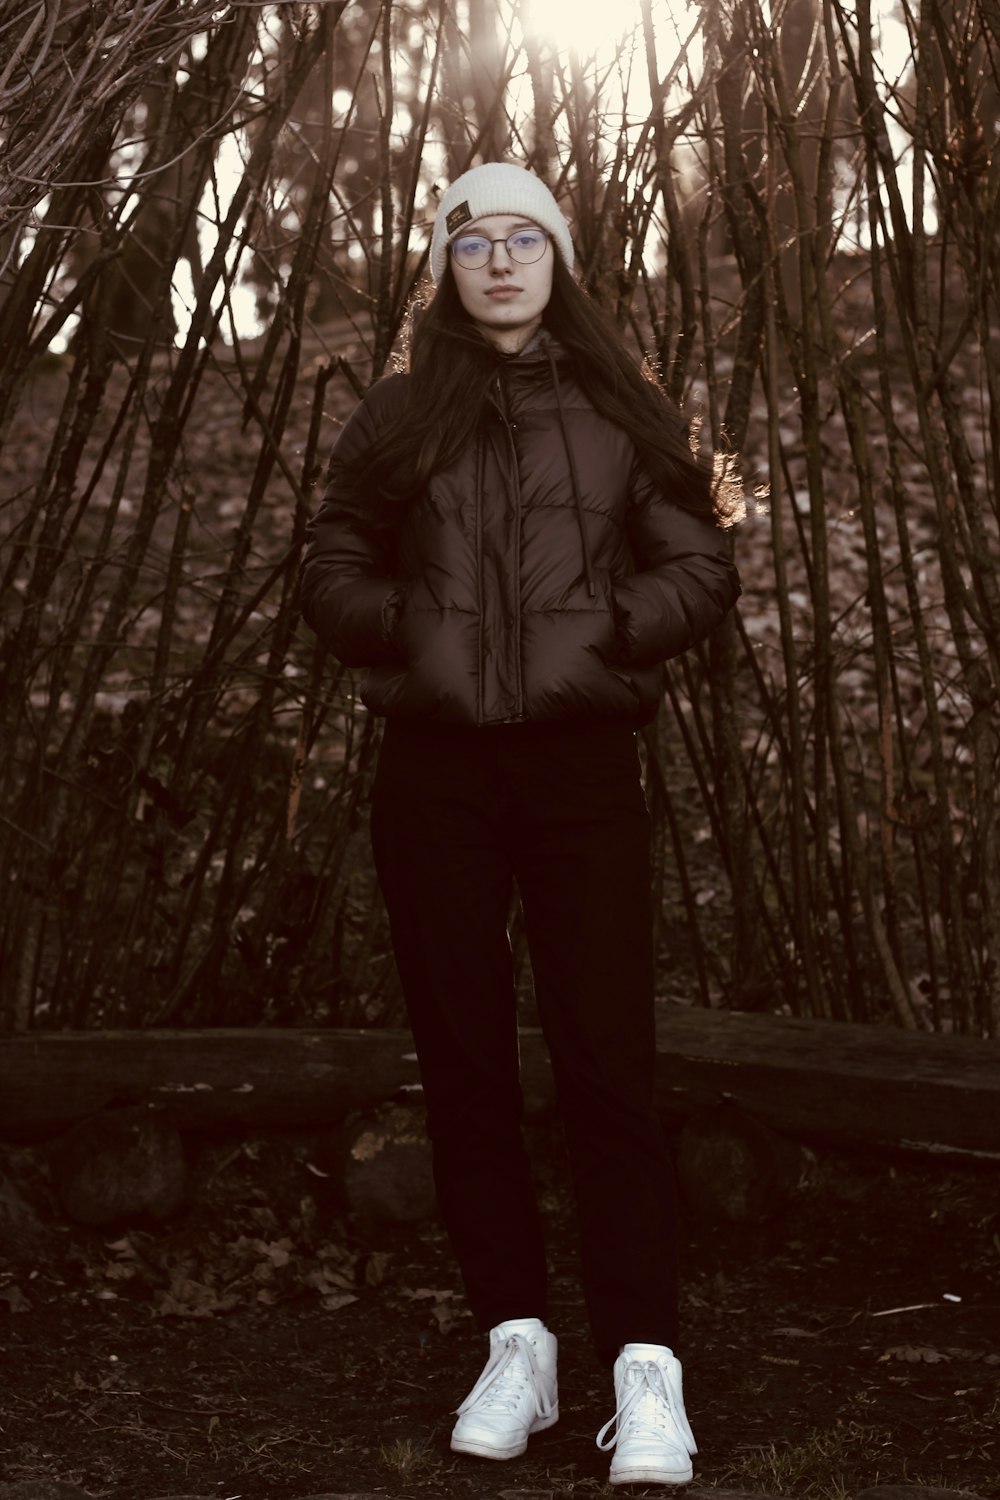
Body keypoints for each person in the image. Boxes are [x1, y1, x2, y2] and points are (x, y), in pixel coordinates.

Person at [299, 161, 741, 1487]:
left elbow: (702, 561)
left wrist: (608, 630)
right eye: (474, 241)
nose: (499, 261)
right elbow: (328, 560)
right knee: (467, 1060)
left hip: (580, 771)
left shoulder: (621, 406)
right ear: (447, 264)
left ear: (557, 261)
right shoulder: (396, 416)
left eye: (523, 241)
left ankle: (644, 1371)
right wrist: (415, 643)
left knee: (608, 1059)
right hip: (434, 775)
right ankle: (516, 1344)